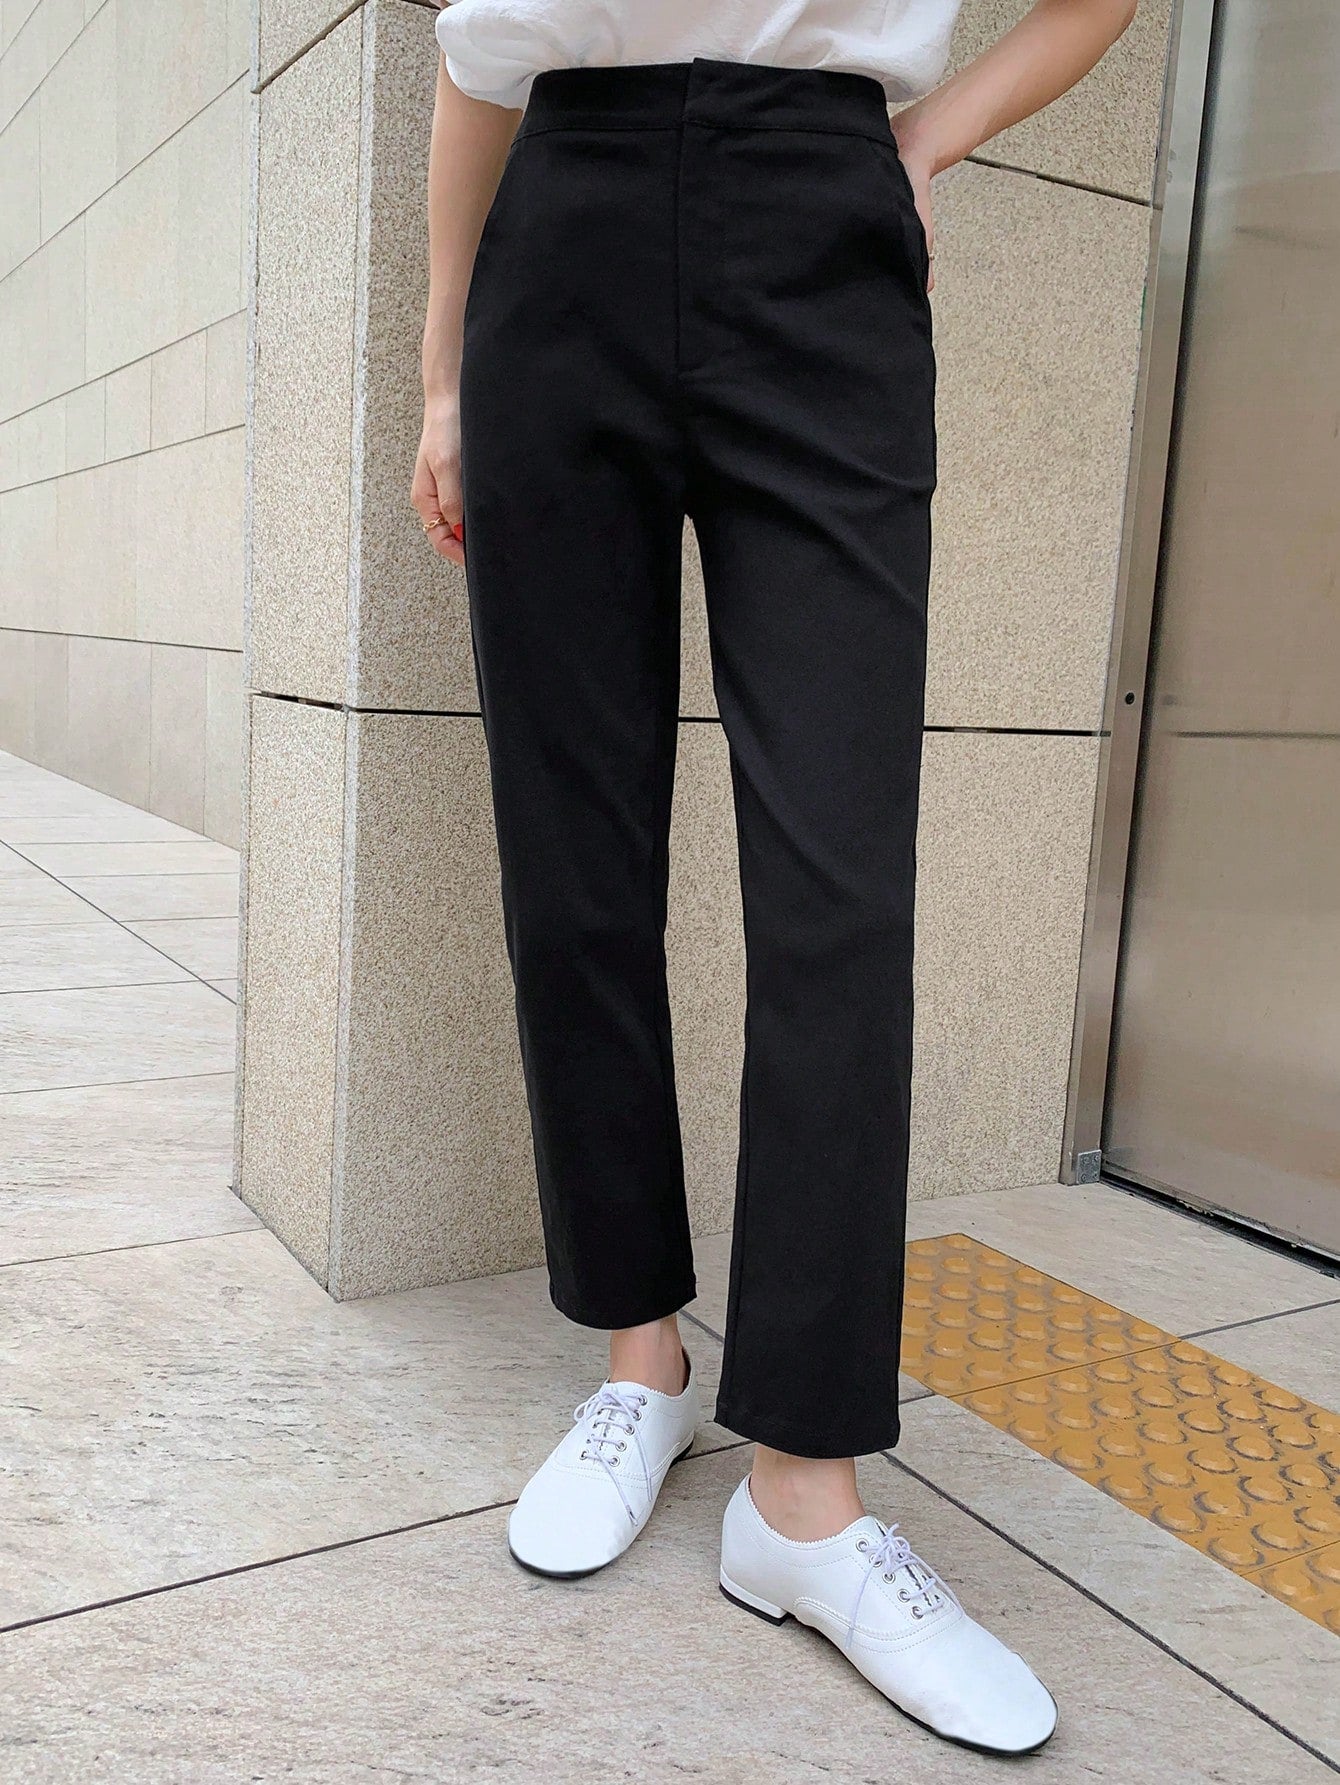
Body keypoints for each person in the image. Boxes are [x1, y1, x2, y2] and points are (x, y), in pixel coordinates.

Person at [413, 0, 1138, 1756]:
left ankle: (802, 1495)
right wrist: (440, 376)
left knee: (840, 885)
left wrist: (925, 140)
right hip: (558, 229)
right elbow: (480, 54)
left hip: (824, 232)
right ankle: (640, 1359)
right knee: (574, 855)